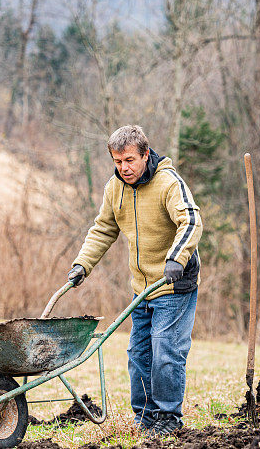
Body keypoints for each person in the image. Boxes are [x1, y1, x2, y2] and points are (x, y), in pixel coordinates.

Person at [68, 125, 203, 436]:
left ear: (145, 154)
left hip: (173, 283)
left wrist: (176, 258)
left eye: (129, 160)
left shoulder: (168, 183)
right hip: (142, 289)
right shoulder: (114, 189)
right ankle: (145, 419)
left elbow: (191, 219)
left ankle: (168, 418)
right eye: (117, 161)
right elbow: (103, 229)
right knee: (138, 354)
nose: (123, 168)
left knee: (165, 349)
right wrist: (81, 265)